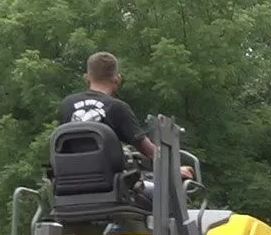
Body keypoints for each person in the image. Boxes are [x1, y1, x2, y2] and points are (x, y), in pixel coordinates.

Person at [56, 51, 193, 183]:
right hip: (110, 187)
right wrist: (174, 169)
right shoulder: (117, 107)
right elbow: (149, 151)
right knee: (163, 194)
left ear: (86, 78)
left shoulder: (65, 106)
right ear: (117, 79)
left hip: (67, 188)